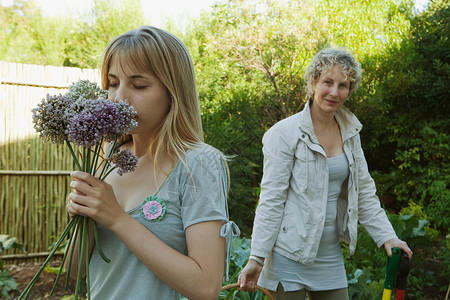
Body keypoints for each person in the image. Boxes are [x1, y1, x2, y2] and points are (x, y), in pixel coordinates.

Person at [65, 26, 238, 300]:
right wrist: (81, 216)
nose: (119, 97)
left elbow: (206, 288)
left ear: (173, 91)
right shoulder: (106, 160)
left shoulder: (198, 164)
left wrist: (118, 219)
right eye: (112, 83)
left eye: (139, 85)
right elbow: (74, 272)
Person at [237, 48, 413, 300]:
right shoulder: (284, 134)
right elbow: (271, 200)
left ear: (350, 90)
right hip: (289, 257)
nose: (334, 92)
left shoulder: (351, 133)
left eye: (343, 85)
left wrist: (388, 238)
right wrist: (257, 258)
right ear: (313, 82)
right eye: (327, 82)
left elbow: (363, 192)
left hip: (329, 256)